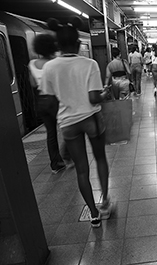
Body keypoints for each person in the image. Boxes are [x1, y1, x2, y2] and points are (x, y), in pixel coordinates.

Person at [41, 16, 112, 228]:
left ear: (58, 45)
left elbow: (49, 102)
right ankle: (106, 202)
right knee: (100, 159)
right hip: (91, 119)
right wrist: (105, 94)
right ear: (79, 43)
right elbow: (93, 98)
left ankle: (93, 214)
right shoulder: (89, 64)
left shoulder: (49, 68)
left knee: (81, 169)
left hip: (68, 123)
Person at [28, 33, 72, 174]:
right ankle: (67, 154)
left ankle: (56, 164)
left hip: (42, 101)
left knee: (51, 134)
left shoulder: (32, 64)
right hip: (56, 99)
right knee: (67, 126)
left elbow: (33, 84)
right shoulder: (55, 63)